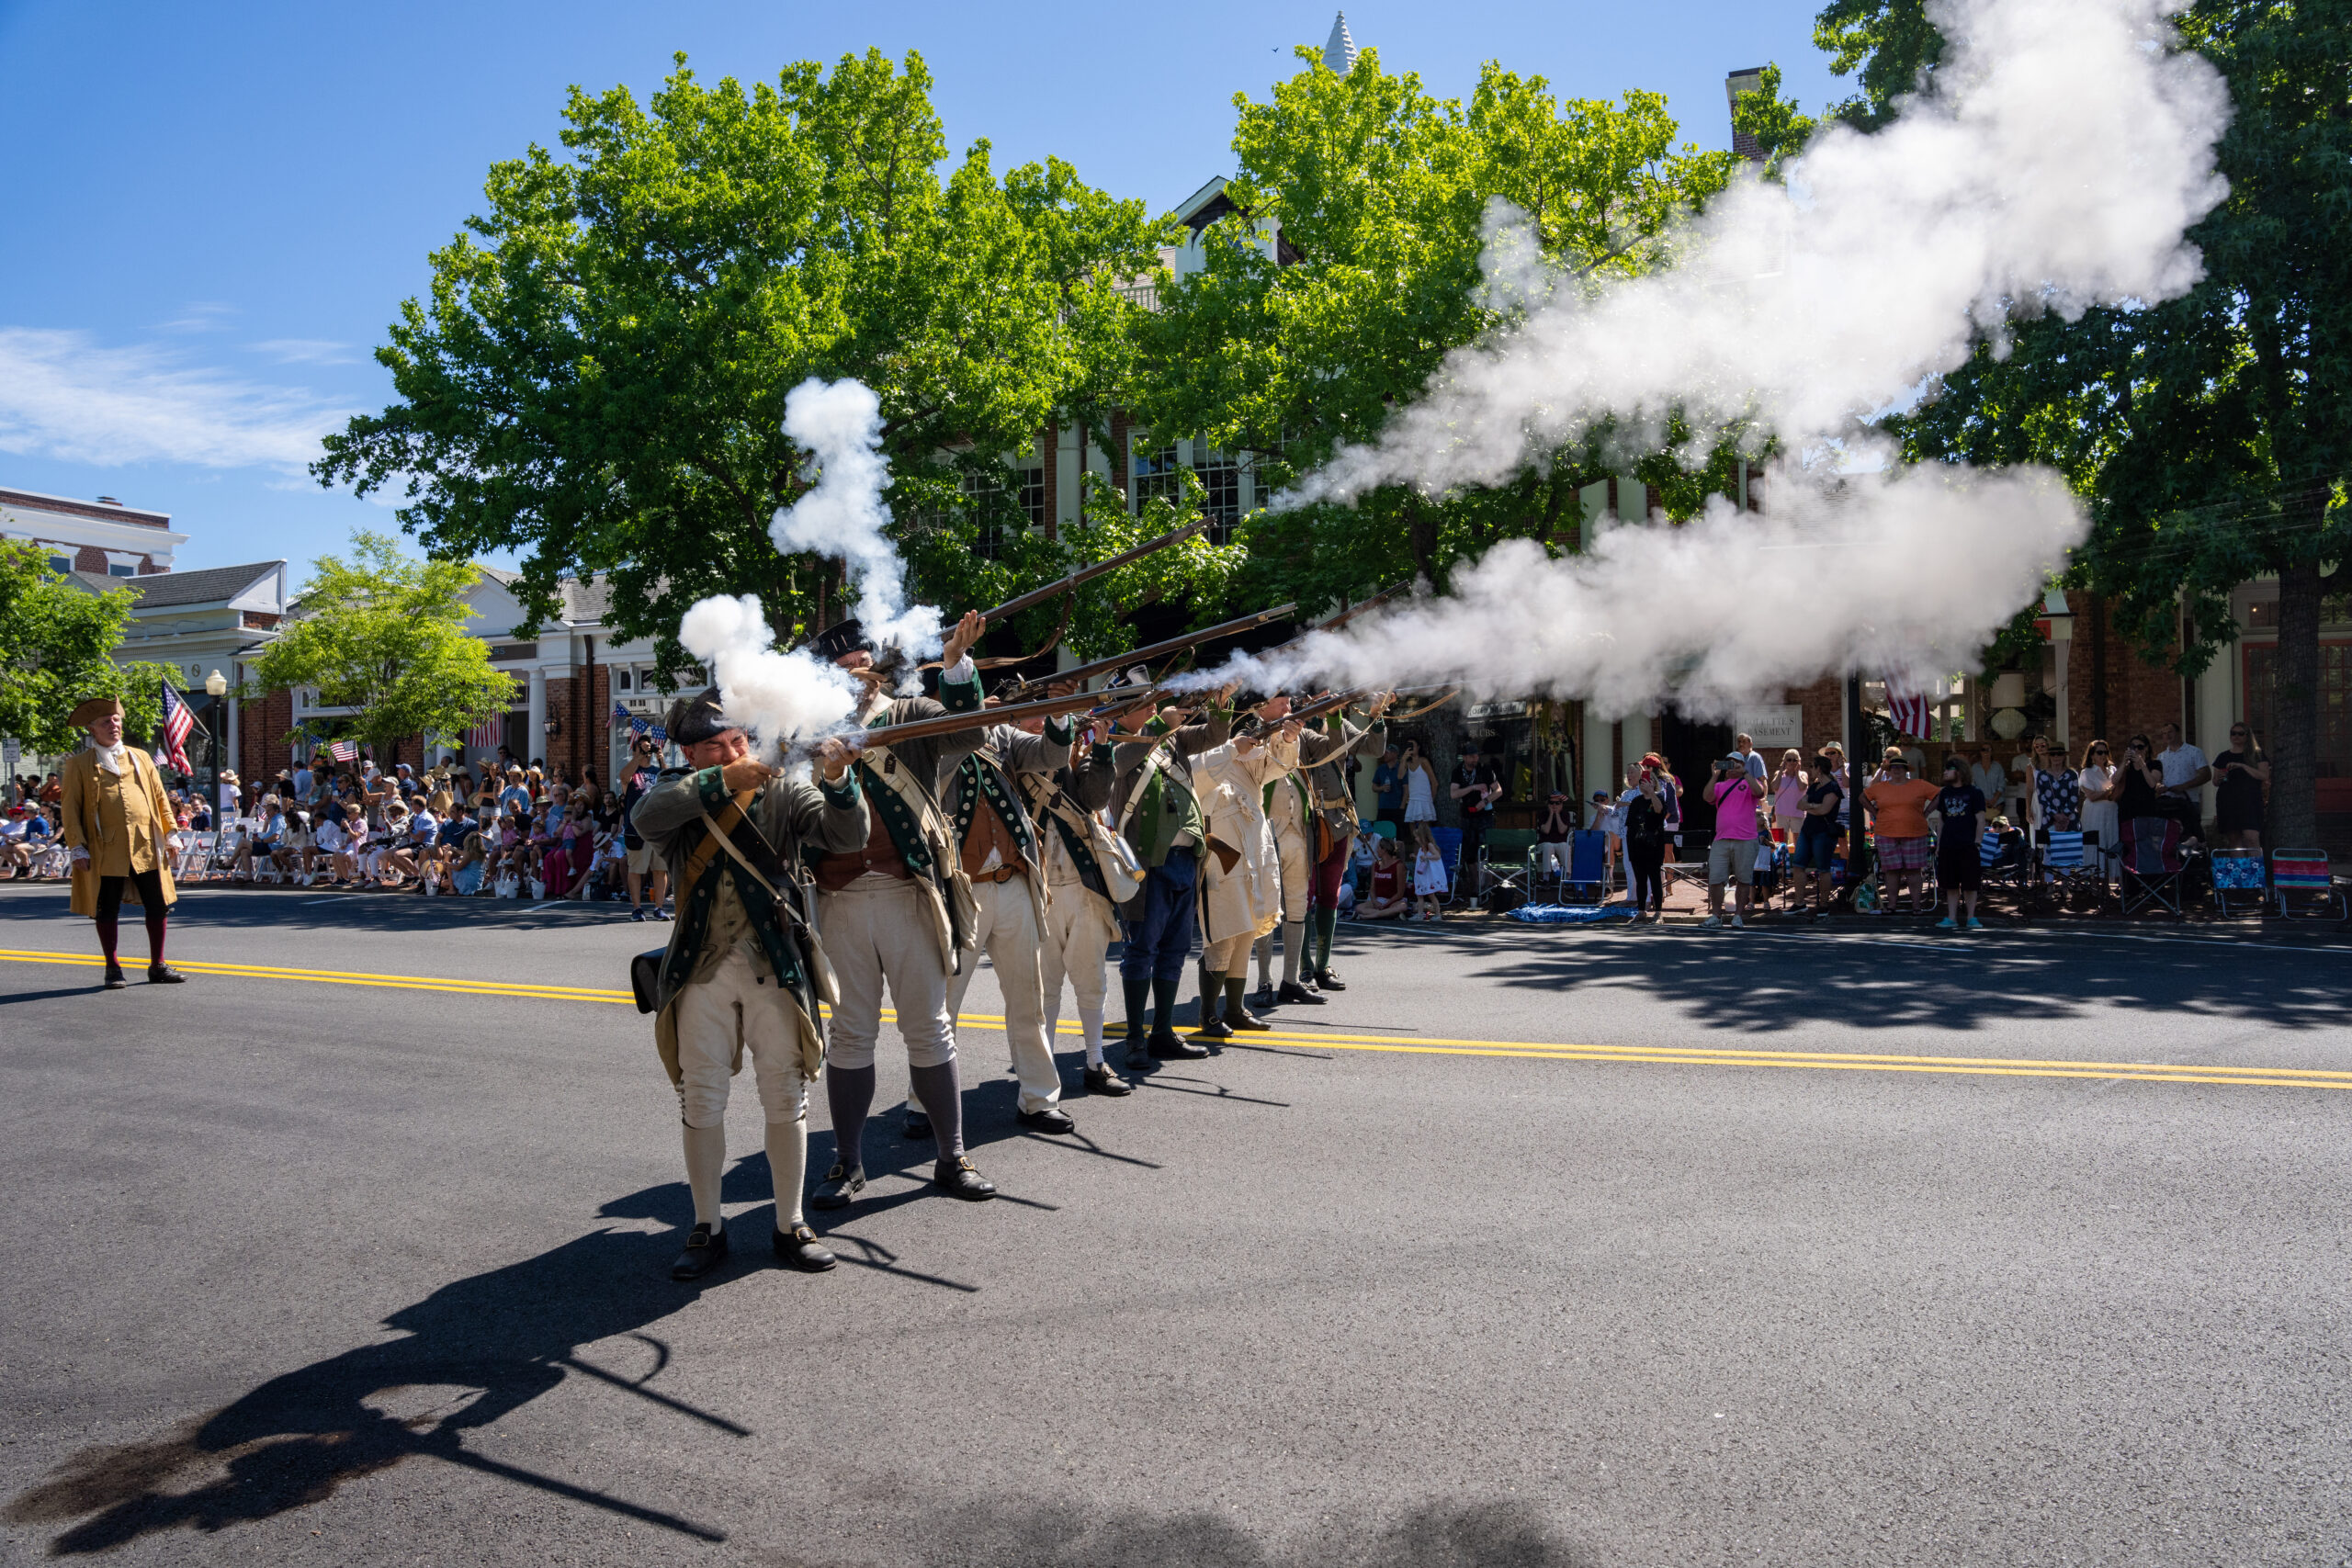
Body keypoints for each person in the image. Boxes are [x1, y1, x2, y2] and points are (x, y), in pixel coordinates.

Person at [632, 685, 866, 1280]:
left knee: (785, 1093)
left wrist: (839, 780)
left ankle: (790, 1222)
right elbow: (645, 817)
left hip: (774, 965)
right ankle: (707, 1224)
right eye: (717, 747)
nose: (734, 751)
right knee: (701, 1094)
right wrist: (725, 779)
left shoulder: (783, 788)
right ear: (691, 755)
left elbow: (846, 837)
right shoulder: (678, 796)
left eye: (738, 740)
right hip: (701, 970)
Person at [804, 612, 998, 1209]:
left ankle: (951, 1155)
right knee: (850, 1035)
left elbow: (972, 732)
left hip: (908, 892)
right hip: (838, 897)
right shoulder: (805, 730)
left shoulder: (910, 714)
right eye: (839, 670)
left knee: (929, 1029)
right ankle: (848, 1161)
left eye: (858, 664)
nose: (853, 676)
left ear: (873, 665)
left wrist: (959, 663)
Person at [923, 681, 1086, 1134]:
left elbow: (1052, 756)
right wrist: (968, 724)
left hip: (1014, 881)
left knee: (1028, 1001)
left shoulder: (1004, 736)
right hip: (963, 888)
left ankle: (1038, 1098)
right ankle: (924, 1103)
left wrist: (1060, 711)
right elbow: (933, 781)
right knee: (944, 1004)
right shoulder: (926, 737)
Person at [1109, 688, 1235, 1065]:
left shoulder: (1174, 740)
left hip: (1185, 859)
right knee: (1142, 951)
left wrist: (1221, 702)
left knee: (1175, 951)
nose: (1152, 708)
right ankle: (1134, 1039)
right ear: (1123, 715)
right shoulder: (1117, 746)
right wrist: (1157, 723)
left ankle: (1162, 1033)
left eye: (1152, 703)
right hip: (1147, 863)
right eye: (1143, 706)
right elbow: (1121, 764)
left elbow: (1215, 736)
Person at [1020, 705, 1128, 1098]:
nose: (1039, 724)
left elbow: (1096, 797)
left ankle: (1096, 1061)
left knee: (1091, 982)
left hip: (1082, 888)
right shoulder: (1009, 761)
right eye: (1032, 718)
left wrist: (1101, 748)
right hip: (1037, 889)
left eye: (1045, 718)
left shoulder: (1071, 759)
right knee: (1043, 989)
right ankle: (1042, 1069)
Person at [58, 696, 186, 988]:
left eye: (116, 720)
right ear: (92, 729)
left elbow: (159, 797)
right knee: (106, 908)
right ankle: (113, 968)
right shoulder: (78, 765)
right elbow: (70, 809)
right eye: (105, 722)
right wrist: (77, 846)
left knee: (158, 905)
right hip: (106, 848)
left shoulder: (140, 757)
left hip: (145, 845)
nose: (113, 725)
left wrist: (170, 832)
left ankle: (158, 966)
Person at [1193, 711, 1295, 1040]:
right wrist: (1231, 749)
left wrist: (1288, 738)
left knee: (1246, 933)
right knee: (1222, 936)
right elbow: (1198, 775)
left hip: (1252, 861)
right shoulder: (1207, 756)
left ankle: (1235, 1009)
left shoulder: (1251, 766)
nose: (1256, 744)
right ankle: (1208, 1014)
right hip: (1219, 862)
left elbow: (1280, 765)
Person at [1862, 749, 1939, 915]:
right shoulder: (1880, 787)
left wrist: (1926, 813)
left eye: (1900, 767)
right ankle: (1892, 906)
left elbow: (1939, 795)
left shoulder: (1919, 784)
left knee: (1913, 870)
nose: (1897, 769)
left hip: (1915, 833)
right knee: (1891, 870)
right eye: (1894, 767)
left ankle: (1916, 907)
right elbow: (1863, 797)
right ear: (1889, 770)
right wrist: (1874, 813)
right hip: (1886, 833)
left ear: (1906, 770)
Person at [1702, 754, 1763, 928]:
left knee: (1743, 879)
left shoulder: (1749, 782)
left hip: (1745, 839)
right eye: (1727, 762)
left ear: (1742, 765)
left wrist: (1745, 773)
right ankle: (1716, 916)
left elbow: (1759, 792)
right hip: (1721, 839)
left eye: (1734, 762)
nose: (1730, 766)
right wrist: (1714, 775)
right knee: (1715, 879)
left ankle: (1738, 916)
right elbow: (1707, 797)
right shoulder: (1720, 785)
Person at [1931, 756, 1989, 930]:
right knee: (1950, 883)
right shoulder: (1945, 793)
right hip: (1948, 844)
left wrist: (1978, 842)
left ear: (1959, 771)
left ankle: (1971, 917)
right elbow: (1941, 820)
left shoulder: (1975, 792)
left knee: (1970, 883)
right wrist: (1939, 845)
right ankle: (1951, 917)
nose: (1945, 772)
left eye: (1948, 769)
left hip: (1968, 845)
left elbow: (1980, 819)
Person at [1790, 752, 1844, 919]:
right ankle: (1800, 903)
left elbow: (1824, 810)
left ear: (1819, 769)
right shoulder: (1814, 787)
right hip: (1808, 830)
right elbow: (1799, 804)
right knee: (1798, 865)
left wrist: (1810, 806)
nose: (1811, 770)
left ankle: (1824, 904)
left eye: (1812, 767)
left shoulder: (1833, 788)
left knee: (1823, 869)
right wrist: (1814, 805)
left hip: (1824, 832)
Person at [1449, 743, 1501, 894]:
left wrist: (1484, 801)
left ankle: (1489, 885)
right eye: (1472, 756)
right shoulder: (1458, 771)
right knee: (1469, 852)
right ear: (1464, 757)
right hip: (1467, 816)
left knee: (1486, 850)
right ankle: (1477, 885)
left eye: (1476, 755)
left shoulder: (1485, 769)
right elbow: (1453, 794)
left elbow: (1498, 791)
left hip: (1485, 815)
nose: (1475, 759)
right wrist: (1473, 787)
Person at [1622, 767, 1670, 921]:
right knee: (1640, 879)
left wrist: (1651, 793)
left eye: (1647, 782)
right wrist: (1630, 849)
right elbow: (1629, 826)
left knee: (1655, 878)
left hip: (1654, 846)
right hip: (1637, 846)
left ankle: (1658, 913)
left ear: (1653, 783)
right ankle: (1641, 910)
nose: (1644, 785)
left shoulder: (1660, 797)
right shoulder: (1636, 801)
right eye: (1642, 782)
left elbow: (1659, 810)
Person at [2210, 724, 2267, 850]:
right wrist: (2218, 778)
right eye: (2233, 733)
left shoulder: (2257, 754)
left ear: (2247, 736)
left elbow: (2264, 775)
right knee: (2234, 840)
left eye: (2240, 733)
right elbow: (2215, 781)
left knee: (2251, 837)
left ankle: (2255, 868)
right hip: (2228, 800)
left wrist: (2243, 766)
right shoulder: (2223, 756)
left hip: (2250, 801)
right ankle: (2239, 869)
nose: (2236, 736)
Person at [2077, 739, 2120, 876]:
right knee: (2096, 843)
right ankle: (2094, 881)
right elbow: (2092, 796)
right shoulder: (2087, 772)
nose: (2103, 755)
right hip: (2095, 813)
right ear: (2092, 755)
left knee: (2111, 842)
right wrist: (2109, 791)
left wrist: (2105, 793)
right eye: (2099, 752)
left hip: (2111, 811)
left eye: (2105, 752)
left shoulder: (2112, 770)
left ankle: (2109, 883)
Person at [1398, 738, 1439, 851]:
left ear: (1418, 747)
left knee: (1425, 835)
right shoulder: (1407, 763)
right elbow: (1400, 776)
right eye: (1409, 746)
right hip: (1413, 801)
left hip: (1424, 800)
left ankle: (1428, 858)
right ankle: (1417, 860)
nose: (1411, 748)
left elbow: (1434, 783)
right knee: (1415, 836)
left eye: (1413, 746)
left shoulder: (1423, 761)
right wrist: (1403, 759)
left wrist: (1431, 800)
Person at [1357, 836, 1410, 919]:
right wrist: (1375, 902)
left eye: (1378, 847)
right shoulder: (1375, 865)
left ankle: (1374, 915)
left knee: (1402, 907)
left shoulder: (1399, 865)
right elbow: (1372, 888)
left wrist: (1386, 904)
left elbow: (1400, 893)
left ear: (1384, 850)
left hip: (1393, 901)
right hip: (1379, 900)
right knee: (1359, 908)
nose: (1377, 850)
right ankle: (1388, 914)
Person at [1534, 791, 1575, 884]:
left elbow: (1562, 830)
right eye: (1551, 803)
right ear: (1548, 804)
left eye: (1557, 803)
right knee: (1548, 846)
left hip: (1561, 842)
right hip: (1544, 843)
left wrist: (1557, 814)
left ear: (1562, 804)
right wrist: (1551, 814)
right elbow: (1546, 830)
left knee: (1565, 847)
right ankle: (1546, 879)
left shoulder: (1565, 814)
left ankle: (1567, 878)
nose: (1554, 805)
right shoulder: (1542, 814)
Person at [1770, 751, 1807, 845]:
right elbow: (1774, 787)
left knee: (1798, 840)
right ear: (1784, 762)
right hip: (1781, 812)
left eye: (1795, 760)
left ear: (1799, 762)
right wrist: (1780, 771)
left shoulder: (1803, 774)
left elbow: (1802, 787)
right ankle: (1783, 859)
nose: (1792, 762)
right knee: (1781, 840)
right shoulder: (1779, 774)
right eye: (1789, 760)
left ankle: (1797, 859)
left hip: (1797, 812)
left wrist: (1797, 773)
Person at [1409, 834, 1449, 920]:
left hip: (1428, 875)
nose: (1415, 838)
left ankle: (1438, 914)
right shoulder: (1421, 848)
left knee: (1431, 894)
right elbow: (1423, 860)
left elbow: (1437, 856)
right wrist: (1416, 857)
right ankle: (1420, 915)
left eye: (1417, 836)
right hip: (1422, 875)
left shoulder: (1429, 846)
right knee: (1419, 894)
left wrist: (1426, 856)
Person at [1372, 746, 1403, 824]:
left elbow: (1406, 788)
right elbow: (1374, 787)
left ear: (1395, 754)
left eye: (1387, 753)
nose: (1384, 755)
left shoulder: (1401, 769)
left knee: (1397, 832)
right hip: (1383, 807)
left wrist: (1402, 806)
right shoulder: (1380, 769)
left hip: (1396, 807)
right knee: (1381, 831)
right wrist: (1381, 788)